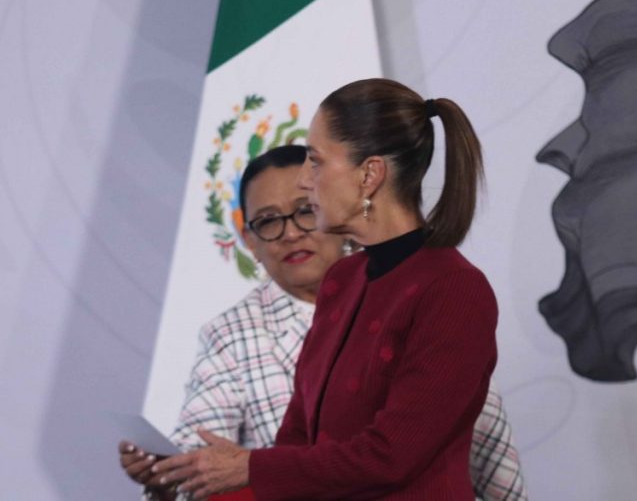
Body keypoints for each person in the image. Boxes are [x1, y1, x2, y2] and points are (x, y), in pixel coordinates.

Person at [146, 79, 504, 500]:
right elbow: (299, 444)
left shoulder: (454, 289)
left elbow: (391, 456)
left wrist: (249, 467)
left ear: (369, 174)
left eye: (314, 161)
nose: (303, 180)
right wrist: (196, 476)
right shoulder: (343, 280)